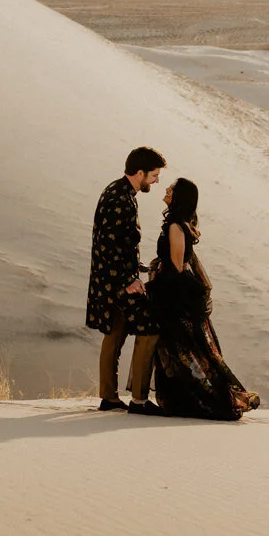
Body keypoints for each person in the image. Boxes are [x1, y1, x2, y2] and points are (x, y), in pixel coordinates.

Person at [146, 178, 260, 421]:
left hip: (172, 296)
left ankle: (200, 400)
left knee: (181, 348)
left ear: (179, 197)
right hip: (173, 292)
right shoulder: (179, 224)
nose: (166, 189)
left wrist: (168, 295)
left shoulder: (176, 226)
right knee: (185, 348)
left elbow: (177, 265)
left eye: (172, 188)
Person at [86, 146, 166, 414]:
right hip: (117, 283)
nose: (156, 181)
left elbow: (119, 242)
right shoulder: (120, 198)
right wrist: (128, 279)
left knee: (115, 333)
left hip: (112, 280)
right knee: (149, 330)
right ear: (140, 172)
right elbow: (109, 245)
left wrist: (138, 267)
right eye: (153, 176)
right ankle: (140, 400)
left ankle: (109, 398)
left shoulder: (119, 192)